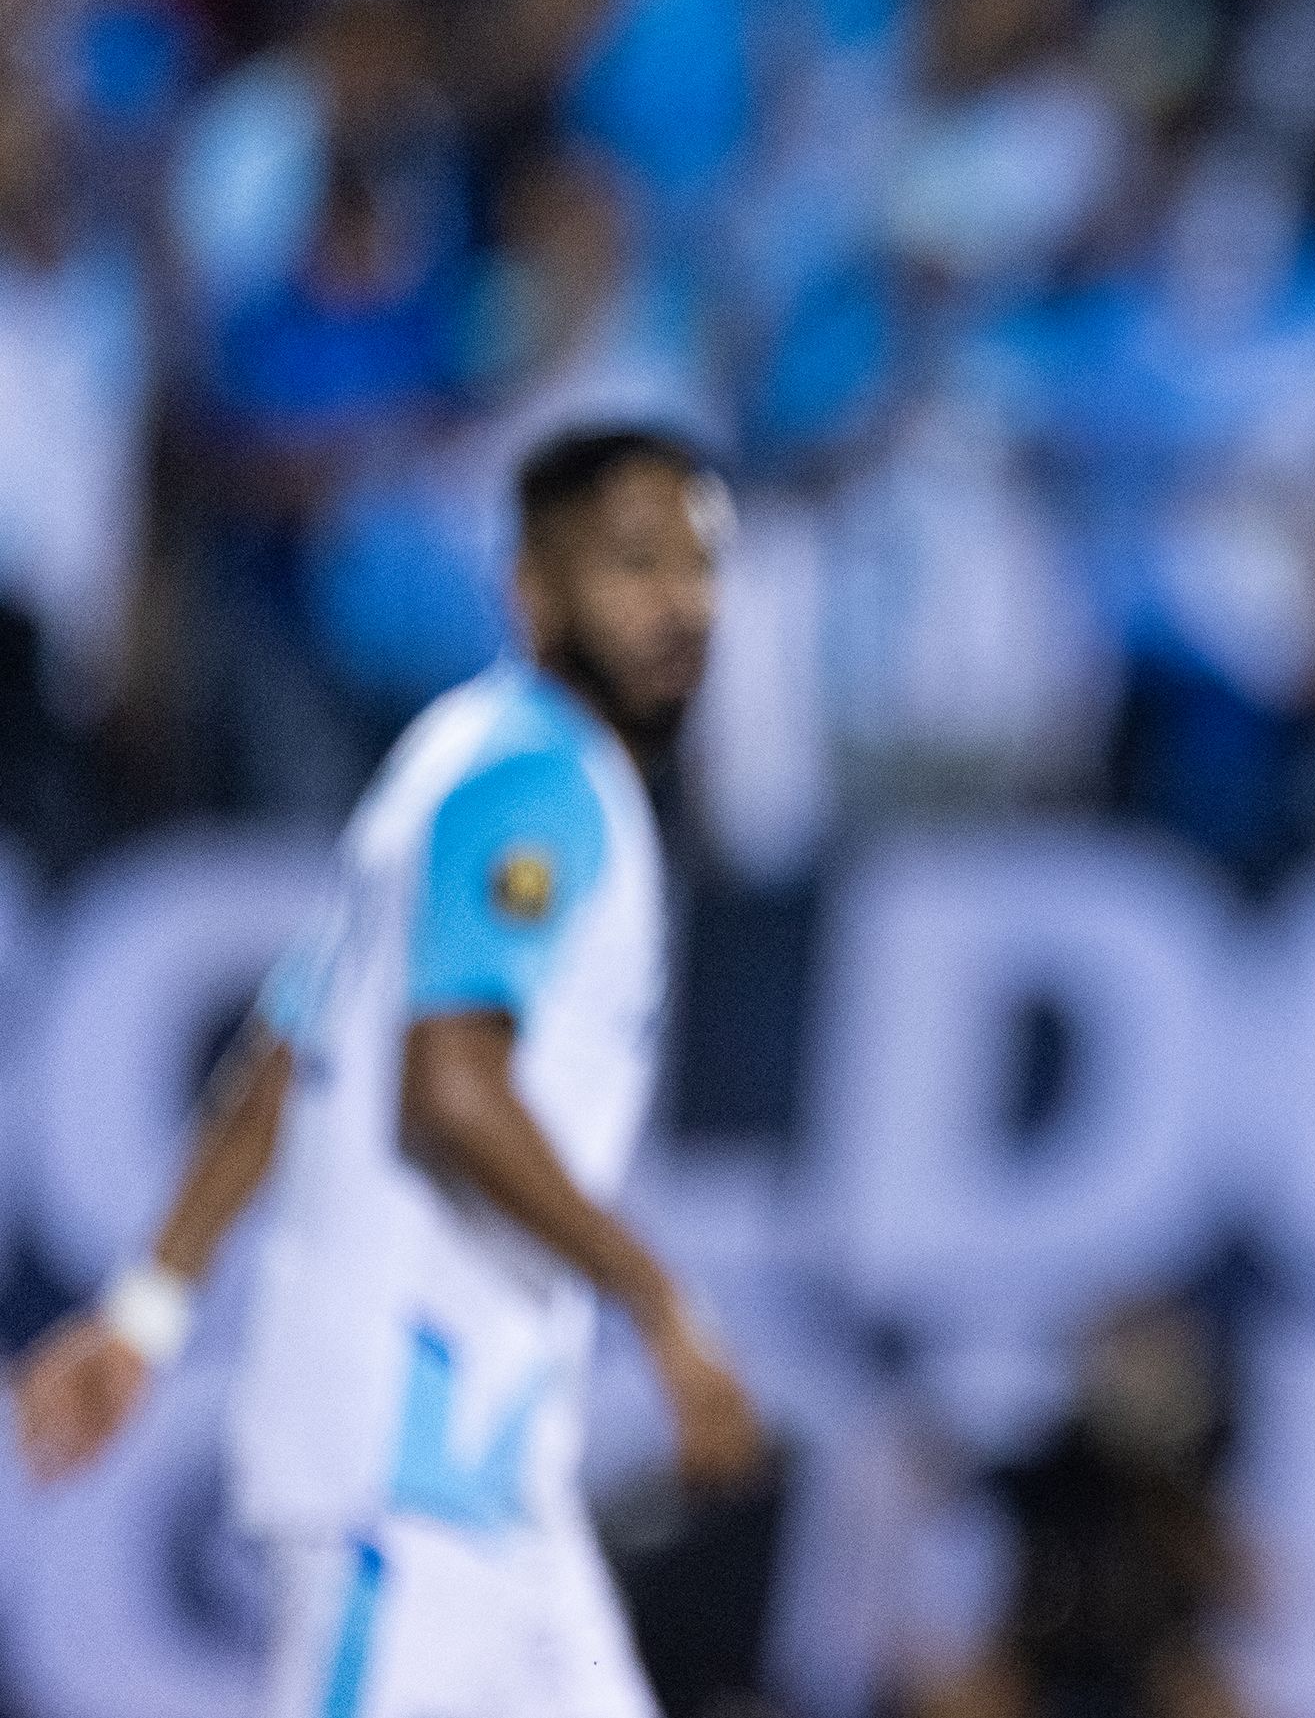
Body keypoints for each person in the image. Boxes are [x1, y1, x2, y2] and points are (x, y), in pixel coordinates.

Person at [14, 426, 764, 1718]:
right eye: (632, 565)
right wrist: (662, 1299)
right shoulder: (539, 781)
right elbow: (451, 1085)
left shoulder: (448, 759)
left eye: (697, 566)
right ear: (533, 589)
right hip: (405, 1473)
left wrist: (146, 1311)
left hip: (490, 1485)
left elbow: (285, 1053)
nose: (675, 605)